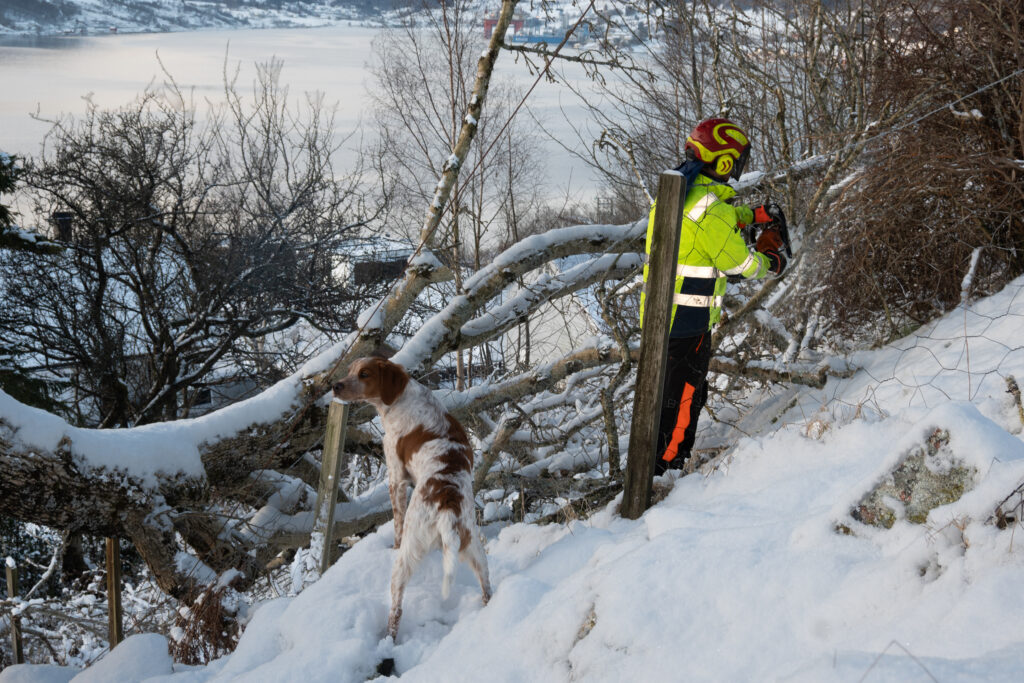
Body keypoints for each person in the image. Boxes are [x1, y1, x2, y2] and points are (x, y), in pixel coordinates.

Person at [640, 118, 787, 474]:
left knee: (667, 397)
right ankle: (666, 470)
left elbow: (713, 220)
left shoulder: (680, 193)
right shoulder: (713, 212)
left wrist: (751, 215)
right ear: (723, 163)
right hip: (689, 324)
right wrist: (771, 260)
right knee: (683, 399)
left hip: (661, 319)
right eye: (736, 162)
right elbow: (740, 264)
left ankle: (657, 464)